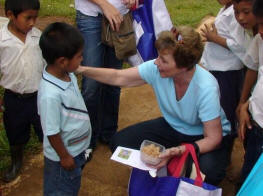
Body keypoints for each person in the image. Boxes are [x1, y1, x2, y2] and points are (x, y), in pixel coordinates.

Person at [77, 26, 232, 185]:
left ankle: (177, 162)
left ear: (184, 66)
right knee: (119, 143)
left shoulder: (206, 87)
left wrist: (178, 151)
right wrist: (81, 69)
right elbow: (118, 77)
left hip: (203, 136)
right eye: (159, 57)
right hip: (173, 127)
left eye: (163, 60)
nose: (156, 63)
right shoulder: (157, 69)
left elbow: (214, 138)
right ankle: (167, 166)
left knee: (210, 173)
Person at [74, 0, 136, 159]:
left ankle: (109, 133)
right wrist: (104, 4)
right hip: (91, 15)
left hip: (120, 16)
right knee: (91, 85)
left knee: (113, 83)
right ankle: (87, 140)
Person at [38, 22, 92, 196]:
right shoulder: (50, 95)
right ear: (62, 61)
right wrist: (64, 157)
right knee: (61, 190)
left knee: (72, 186)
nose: (82, 59)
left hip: (77, 150)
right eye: (79, 56)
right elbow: (52, 132)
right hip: (64, 158)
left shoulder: (67, 74)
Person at [0, 0, 44, 182]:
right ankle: (16, 162)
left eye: (35, 17)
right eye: (28, 18)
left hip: (40, 97)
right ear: (10, 15)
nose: (33, 23)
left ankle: (53, 159)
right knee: (15, 133)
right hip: (14, 99)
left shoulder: (39, 37)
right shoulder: (2, 40)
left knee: (47, 130)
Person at [201, 0, 256, 140]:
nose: (241, 16)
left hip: (227, 70)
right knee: (220, 104)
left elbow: (240, 46)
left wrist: (214, 38)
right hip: (218, 67)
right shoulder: (228, 9)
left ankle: (226, 140)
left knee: (227, 108)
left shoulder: (234, 14)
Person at [237, 0, 263, 188]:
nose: (260, 31)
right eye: (260, 24)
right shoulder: (260, 40)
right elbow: (256, 72)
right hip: (256, 122)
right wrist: (245, 103)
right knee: (248, 175)